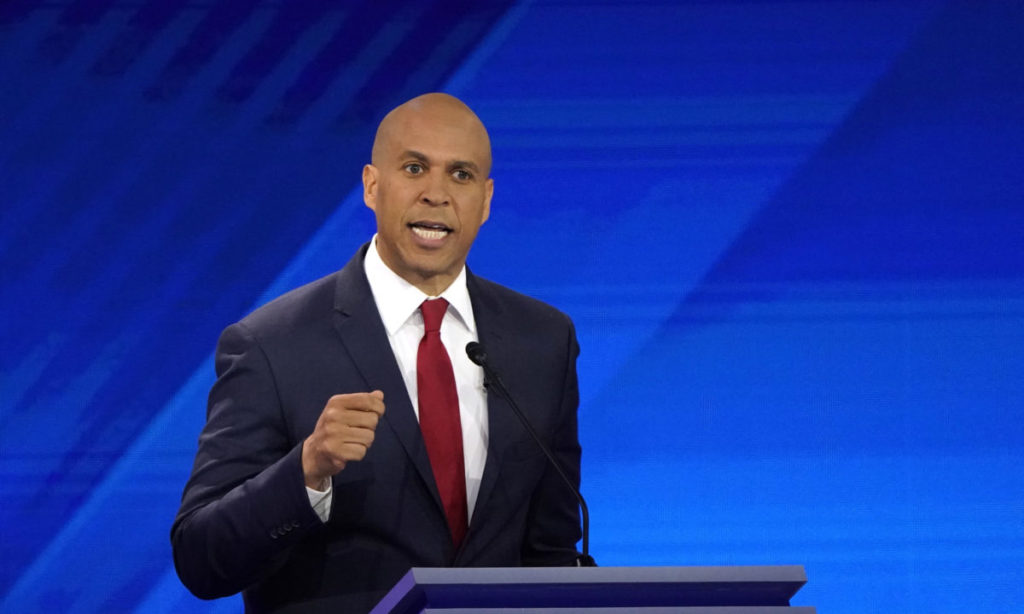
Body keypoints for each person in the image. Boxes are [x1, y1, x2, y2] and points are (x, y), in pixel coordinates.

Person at [171, 93, 583, 614]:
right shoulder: (271, 344)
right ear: (372, 185)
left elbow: (551, 549)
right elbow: (200, 559)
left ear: (486, 200)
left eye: (461, 175)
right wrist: (307, 470)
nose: (436, 194)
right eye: (414, 168)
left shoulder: (542, 340)